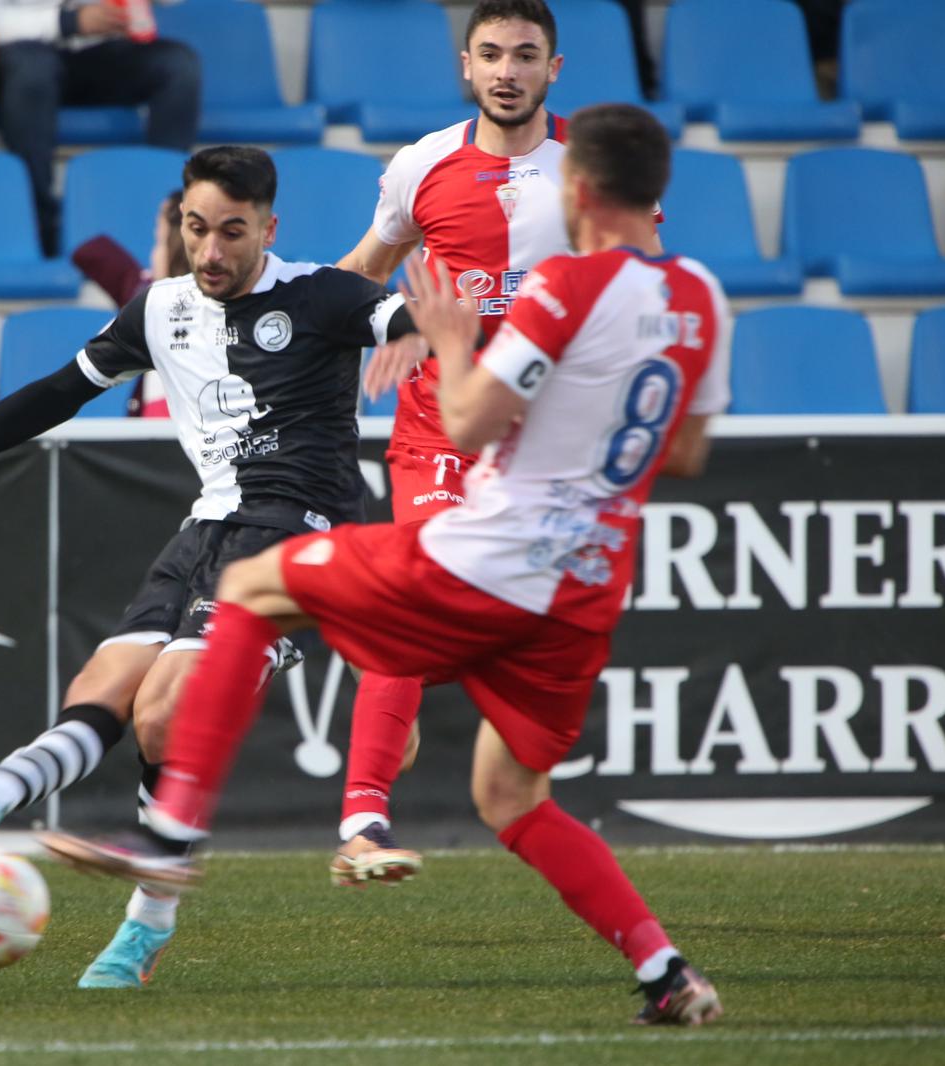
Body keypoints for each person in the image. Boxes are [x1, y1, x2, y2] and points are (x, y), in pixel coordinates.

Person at [42, 103, 730, 1027]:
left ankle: (168, 842)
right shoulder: (699, 295)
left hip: (489, 560)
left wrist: (445, 339)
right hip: (588, 587)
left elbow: (469, 421)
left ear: (574, 188)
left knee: (252, 584)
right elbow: (683, 452)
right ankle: (666, 972)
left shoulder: (564, 284)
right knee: (510, 795)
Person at [0, 146, 418, 989]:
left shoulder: (325, 295)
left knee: (165, 711)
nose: (212, 251)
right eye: (196, 228)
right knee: (105, 683)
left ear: (270, 226)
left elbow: (422, 323)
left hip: (299, 536)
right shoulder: (159, 308)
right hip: (205, 527)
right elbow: (56, 392)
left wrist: (421, 337)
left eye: (233, 231)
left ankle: (146, 923)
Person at [328, 0, 575, 887]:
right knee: (405, 610)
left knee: (516, 646)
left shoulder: (590, 175)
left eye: (525, 54)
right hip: (433, 431)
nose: (507, 69)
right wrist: (391, 323)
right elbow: (362, 271)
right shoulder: (421, 164)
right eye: (491, 54)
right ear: (465, 67)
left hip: (543, 447)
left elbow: (622, 291)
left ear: (555, 67)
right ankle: (362, 822)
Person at [0, 0, 200, 257]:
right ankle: (40, 225)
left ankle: (168, 219)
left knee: (178, 66)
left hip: (98, 50)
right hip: (23, 54)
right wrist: (68, 21)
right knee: (32, 75)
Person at [69, 188, 188, 416]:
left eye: (159, 241)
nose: (153, 256)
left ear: (177, 248)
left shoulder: (158, 311)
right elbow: (89, 253)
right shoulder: (145, 301)